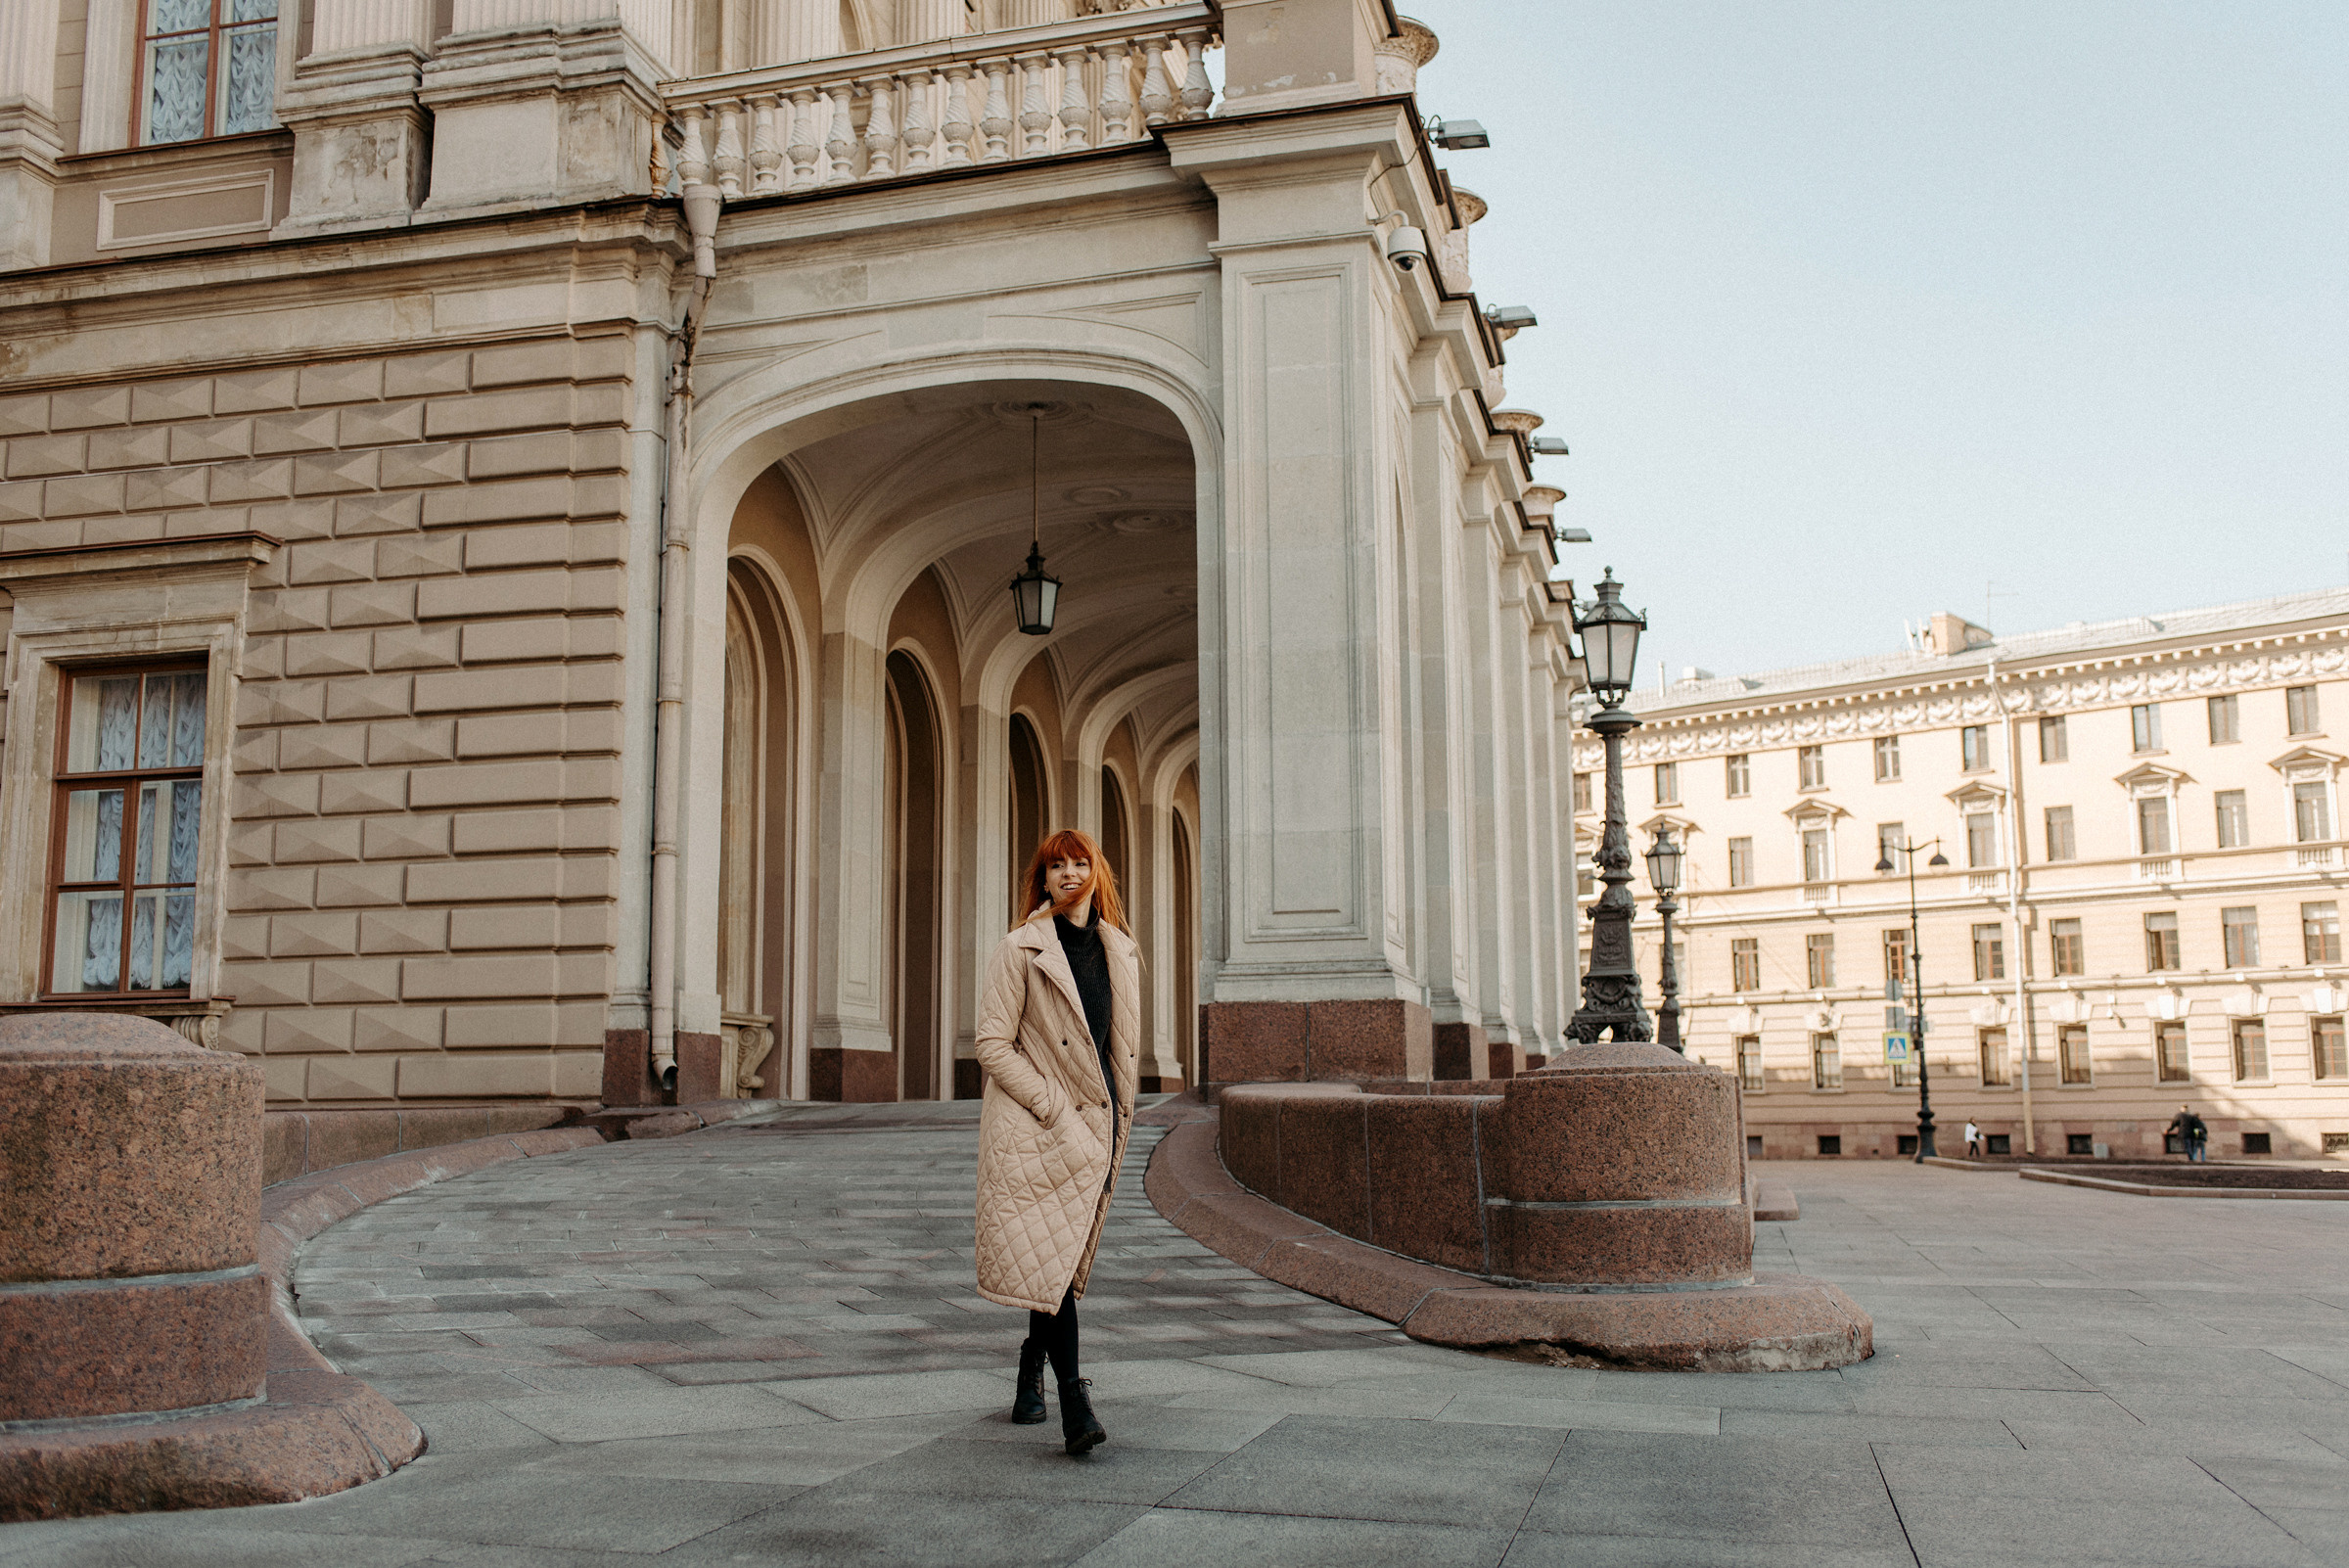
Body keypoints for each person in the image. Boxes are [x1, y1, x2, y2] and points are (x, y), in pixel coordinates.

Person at [972, 828, 1139, 1457]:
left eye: (1080, 862)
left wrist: (1122, 1117)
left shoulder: (1119, 950)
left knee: (1056, 1260)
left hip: (1098, 1128)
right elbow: (991, 1044)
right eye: (1057, 866)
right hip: (1037, 1126)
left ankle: (1028, 1369)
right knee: (1058, 1267)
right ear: (1041, 880)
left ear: (1097, 872)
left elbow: (1117, 1050)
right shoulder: (1019, 948)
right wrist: (1050, 1106)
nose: (1070, 873)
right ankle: (1075, 1403)